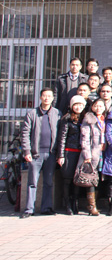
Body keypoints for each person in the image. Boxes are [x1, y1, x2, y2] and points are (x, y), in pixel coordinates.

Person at [20, 88, 61, 218]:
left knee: (48, 182)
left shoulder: (57, 113)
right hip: (35, 154)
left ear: (53, 98)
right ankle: (29, 209)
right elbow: (25, 133)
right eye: (44, 96)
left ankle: (46, 208)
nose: (47, 98)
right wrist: (27, 151)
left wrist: (59, 153)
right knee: (32, 182)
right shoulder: (32, 113)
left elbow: (60, 134)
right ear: (40, 97)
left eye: (49, 96)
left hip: (51, 153)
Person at [57, 95, 86, 215]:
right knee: (67, 179)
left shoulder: (84, 118)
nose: (78, 107)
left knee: (77, 179)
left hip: (81, 152)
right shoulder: (67, 118)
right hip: (69, 152)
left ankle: (75, 202)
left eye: (80, 105)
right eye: (76, 105)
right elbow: (62, 137)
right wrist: (61, 155)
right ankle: (67, 204)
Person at [78, 98, 107, 216]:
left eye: (101, 106)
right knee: (90, 178)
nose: (99, 108)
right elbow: (84, 138)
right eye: (96, 106)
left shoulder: (105, 119)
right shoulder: (88, 119)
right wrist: (87, 155)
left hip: (103, 153)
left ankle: (96, 203)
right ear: (93, 107)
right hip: (92, 153)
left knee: (98, 178)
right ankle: (91, 206)